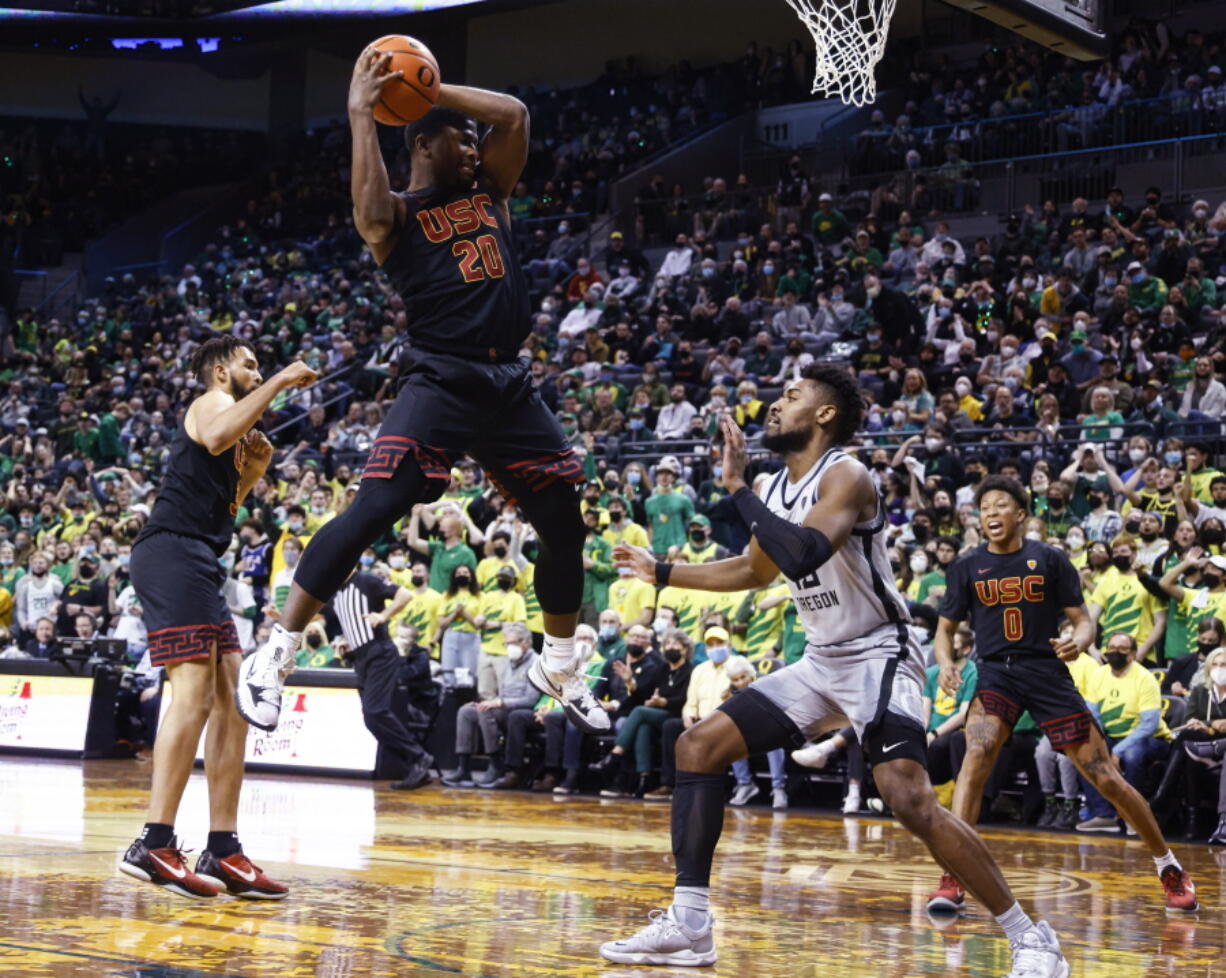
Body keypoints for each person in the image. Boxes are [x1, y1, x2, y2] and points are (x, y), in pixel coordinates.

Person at [603, 363, 1069, 976]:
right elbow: (754, 571)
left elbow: (801, 555)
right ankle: (690, 925)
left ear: (824, 415)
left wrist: (736, 485)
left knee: (907, 797)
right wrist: (661, 571)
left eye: (790, 395)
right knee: (698, 746)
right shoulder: (774, 489)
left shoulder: (846, 474)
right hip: (822, 659)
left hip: (881, 650)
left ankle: (1031, 938)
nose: (774, 404)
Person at [236, 47, 608, 740]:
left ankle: (559, 663)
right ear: (423, 143)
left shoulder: (489, 190)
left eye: (473, 139)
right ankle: (274, 655)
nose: (474, 144)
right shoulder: (397, 218)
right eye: (459, 138)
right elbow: (370, 209)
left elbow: (516, 114)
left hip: (508, 383)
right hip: (440, 375)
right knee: (378, 505)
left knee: (564, 522)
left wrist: (434, 86)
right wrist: (360, 113)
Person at [928, 475, 1197, 918]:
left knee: (1105, 776)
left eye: (1000, 506)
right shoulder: (965, 566)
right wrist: (949, 664)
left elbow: (1083, 619)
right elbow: (945, 631)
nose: (991, 514)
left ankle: (1168, 866)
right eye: (984, 508)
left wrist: (1079, 639)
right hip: (996, 672)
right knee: (974, 756)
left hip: (1046, 671)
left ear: (1021, 514)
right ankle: (954, 873)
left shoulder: (1050, 560)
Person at [119, 335, 315, 901]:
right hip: (172, 552)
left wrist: (250, 475)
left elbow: (223, 509)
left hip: (198, 556)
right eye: (252, 365)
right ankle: (154, 842)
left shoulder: (235, 433)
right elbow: (213, 431)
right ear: (223, 369)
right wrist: (279, 382)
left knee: (233, 701)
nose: (259, 371)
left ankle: (223, 849)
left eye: (263, 367)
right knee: (196, 694)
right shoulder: (210, 402)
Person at [326, 569, 435, 791]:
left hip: (380, 653)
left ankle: (419, 757)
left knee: (375, 711)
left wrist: (384, 615)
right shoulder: (335, 592)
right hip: (361, 657)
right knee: (371, 718)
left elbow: (405, 595)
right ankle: (414, 763)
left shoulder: (365, 580)